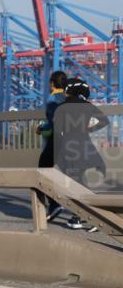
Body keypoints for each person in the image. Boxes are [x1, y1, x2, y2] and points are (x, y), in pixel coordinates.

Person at [53, 77, 109, 231]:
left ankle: (83, 217)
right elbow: (104, 121)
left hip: (70, 150)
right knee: (83, 184)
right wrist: (88, 130)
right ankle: (86, 216)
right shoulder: (87, 106)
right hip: (86, 147)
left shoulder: (62, 108)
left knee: (74, 184)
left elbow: (57, 133)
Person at [36, 70, 69, 221]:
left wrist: (42, 127)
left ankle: (55, 204)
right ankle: (82, 214)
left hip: (59, 138)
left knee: (43, 170)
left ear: (52, 83)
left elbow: (54, 120)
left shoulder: (52, 99)